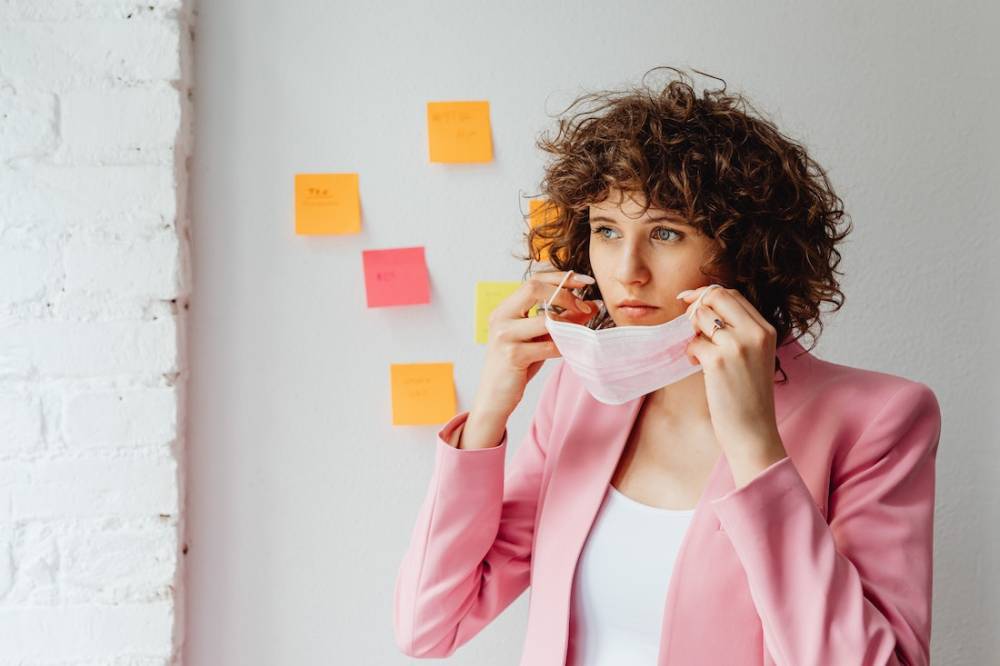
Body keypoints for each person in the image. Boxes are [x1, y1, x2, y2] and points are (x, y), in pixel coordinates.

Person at [393, 67, 942, 665]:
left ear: (745, 249)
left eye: (666, 234)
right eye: (607, 230)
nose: (628, 269)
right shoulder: (579, 394)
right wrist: (488, 419)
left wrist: (757, 446)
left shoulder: (880, 419)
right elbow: (429, 625)